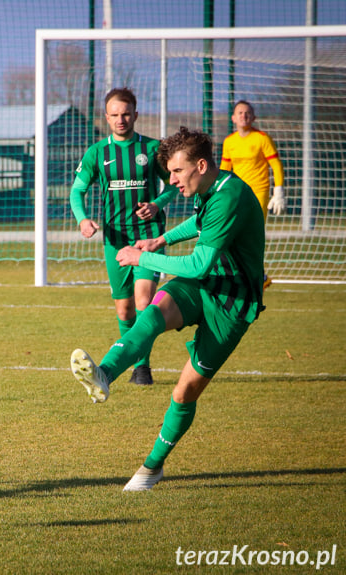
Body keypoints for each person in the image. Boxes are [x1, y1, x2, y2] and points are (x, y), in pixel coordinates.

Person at [69, 127, 265, 491]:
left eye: (177, 172)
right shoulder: (211, 186)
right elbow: (200, 224)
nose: (171, 180)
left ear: (201, 165)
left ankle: (152, 467)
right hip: (201, 287)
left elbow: (199, 265)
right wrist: (162, 237)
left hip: (231, 303)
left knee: (184, 393)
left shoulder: (229, 195)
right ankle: (104, 376)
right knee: (152, 314)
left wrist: (145, 254)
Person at [70, 87, 178, 386]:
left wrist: (157, 204)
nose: (121, 120)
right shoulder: (97, 153)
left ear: (136, 115)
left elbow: (173, 185)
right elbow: (77, 191)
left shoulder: (152, 149)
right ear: (107, 117)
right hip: (115, 241)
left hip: (149, 237)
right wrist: (83, 220)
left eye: (126, 114)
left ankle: (142, 368)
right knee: (124, 308)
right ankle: (134, 361)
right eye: (115, 115)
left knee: (143, 300)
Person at [220, 100, 286, 218]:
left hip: (259, 191)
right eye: (240, 113)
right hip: (237, 191)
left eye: (247, 113)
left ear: (253, 117)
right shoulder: (229, 141)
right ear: (233, 118)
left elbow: (276, 165)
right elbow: (224, 170)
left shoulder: (263, 138)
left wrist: (279, 190)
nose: (243, 116)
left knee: (255, 229)